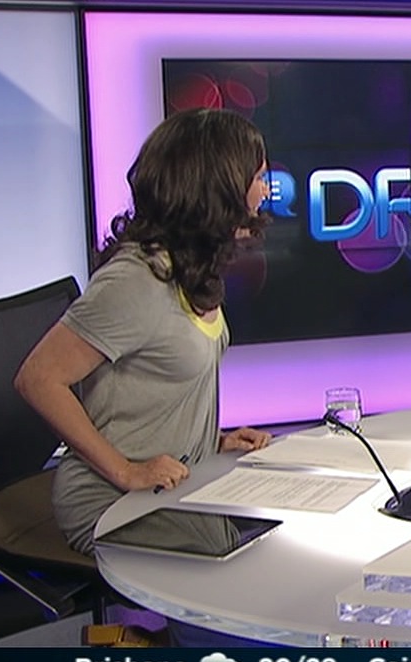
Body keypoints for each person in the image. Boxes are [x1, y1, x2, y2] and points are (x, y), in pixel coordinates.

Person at [15, 108, 273, 556]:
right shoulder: (137, 280)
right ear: (217, 187)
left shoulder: (191, 268)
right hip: (110, 499)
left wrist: (213, 441)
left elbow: (153, 388)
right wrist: (126, 471)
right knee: (229, 569)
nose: (265, 191)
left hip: (178, 482)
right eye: (257, 178)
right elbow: (37, 379)